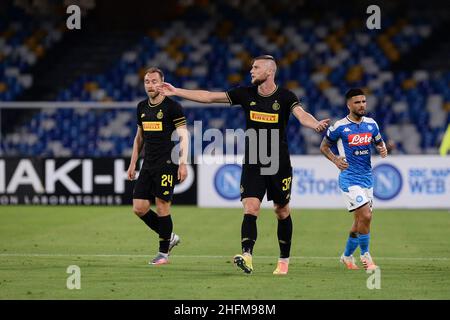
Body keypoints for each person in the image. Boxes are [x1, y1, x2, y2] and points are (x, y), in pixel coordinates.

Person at [157, 55, 329, 275]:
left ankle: (283, 260)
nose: (251, 71)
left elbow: (301, 114)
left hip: (278, 162)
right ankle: (247, 255)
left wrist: (315, 124)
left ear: (269, 71)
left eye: (256, 67)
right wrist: (177, 91)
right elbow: (209, 97)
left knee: (282, 210)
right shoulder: (245, 93)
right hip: (253, 160)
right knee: (251, 207)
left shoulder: (286, 96)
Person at [320, 88, 387, 270]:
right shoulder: (339, 126)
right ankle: (366, 256)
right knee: (366, 215)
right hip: (349, 179)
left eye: (364, 101)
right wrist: (335, 160)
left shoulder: (372, 124)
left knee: (359, 222)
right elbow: (324, 146)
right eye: (357, 102)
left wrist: (383, 148)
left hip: (367, 178)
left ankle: (346, 256)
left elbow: (379, 142)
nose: (361, 105)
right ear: (348, 104)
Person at [127, 67, 189, 265]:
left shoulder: (173, 107)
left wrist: (183, 163)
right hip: (148, 164)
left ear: (162, 83)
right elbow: (139, 137)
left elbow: (184, 135)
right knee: (139, 207)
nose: (150, 85)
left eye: (154, 81)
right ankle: (169, 236)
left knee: (162, 206)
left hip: (167, 163)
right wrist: (133, 162)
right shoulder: (141, 107)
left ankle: (163, 254)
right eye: (147, 81)